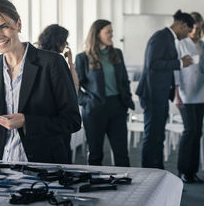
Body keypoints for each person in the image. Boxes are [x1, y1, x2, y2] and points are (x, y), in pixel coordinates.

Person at [0, 0, 81, 164]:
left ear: (18, 24)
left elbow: (72, 121)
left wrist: (26, 121)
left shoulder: (52, 63)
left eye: (4, 26)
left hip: (43, 166)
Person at [136, 10, 195, 169]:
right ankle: (149, 171)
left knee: (158, 135)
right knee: (153, 135)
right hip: (151, 93)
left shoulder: (168, 38)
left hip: (159, 94)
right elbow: (153, 64)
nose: (188, 34)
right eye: (188, 30)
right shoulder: (161, 37)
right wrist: (180, 63)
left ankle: (158, 169)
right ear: (182, 25)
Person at [75, 19, 134, 166]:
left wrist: (126, 98)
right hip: (94, 109)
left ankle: (125, 185)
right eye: (108, 32)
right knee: (95, 154)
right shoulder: (82, 58)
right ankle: (95, 186)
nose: (111, 35)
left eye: (111, 32)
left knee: (121, 153)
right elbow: (74, 88)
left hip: (117, 107)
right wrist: (87, 101)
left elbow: (124, 80)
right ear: (97, 34)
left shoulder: (117, 53)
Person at [173, 12, 204, 183]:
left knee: (198, 132)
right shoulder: (181, 44)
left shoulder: (202, 45)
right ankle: (183, 171)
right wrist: (177, 95)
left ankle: (192, 172)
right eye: (193, 29)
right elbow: (176, 70)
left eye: (199, 29)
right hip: (185, 94)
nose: (196, 33)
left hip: (201, 94)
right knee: (189, 131)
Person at [37, 24, 79, 92]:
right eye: (64, 41)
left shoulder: (37, 57)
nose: (66, 44)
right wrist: (71, 64)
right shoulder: (57, 60)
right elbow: (73, 89)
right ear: (58, 41)